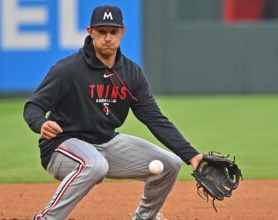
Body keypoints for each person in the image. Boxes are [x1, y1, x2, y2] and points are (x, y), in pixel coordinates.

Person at [24, 5, 202, 220]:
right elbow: (33, 106)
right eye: (102, 32)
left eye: (113, 32)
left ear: (122, 32)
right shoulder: (68, 69)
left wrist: (192, 156)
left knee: (170, 165)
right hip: (62, 146)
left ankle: (145, 217)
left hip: (105, 143)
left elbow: (154, 118)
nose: (107, 37)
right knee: (95, 165)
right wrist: (40, 123)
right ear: (90, 32)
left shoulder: (131, 73)